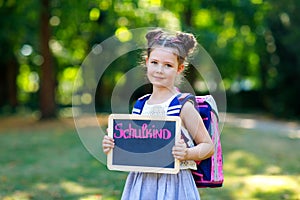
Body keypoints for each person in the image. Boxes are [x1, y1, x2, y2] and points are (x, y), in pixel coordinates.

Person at [102, 28, 214, 200]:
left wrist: (187, 154)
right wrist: (113, 145)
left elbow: (208, 146)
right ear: (147, 62)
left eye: (168, 65)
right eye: (154, 62)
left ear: (179, 68)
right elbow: (136, 143)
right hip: (142, 183)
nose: (159, 70)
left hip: (174, 184)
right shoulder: (140, 105)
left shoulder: (182, 106)